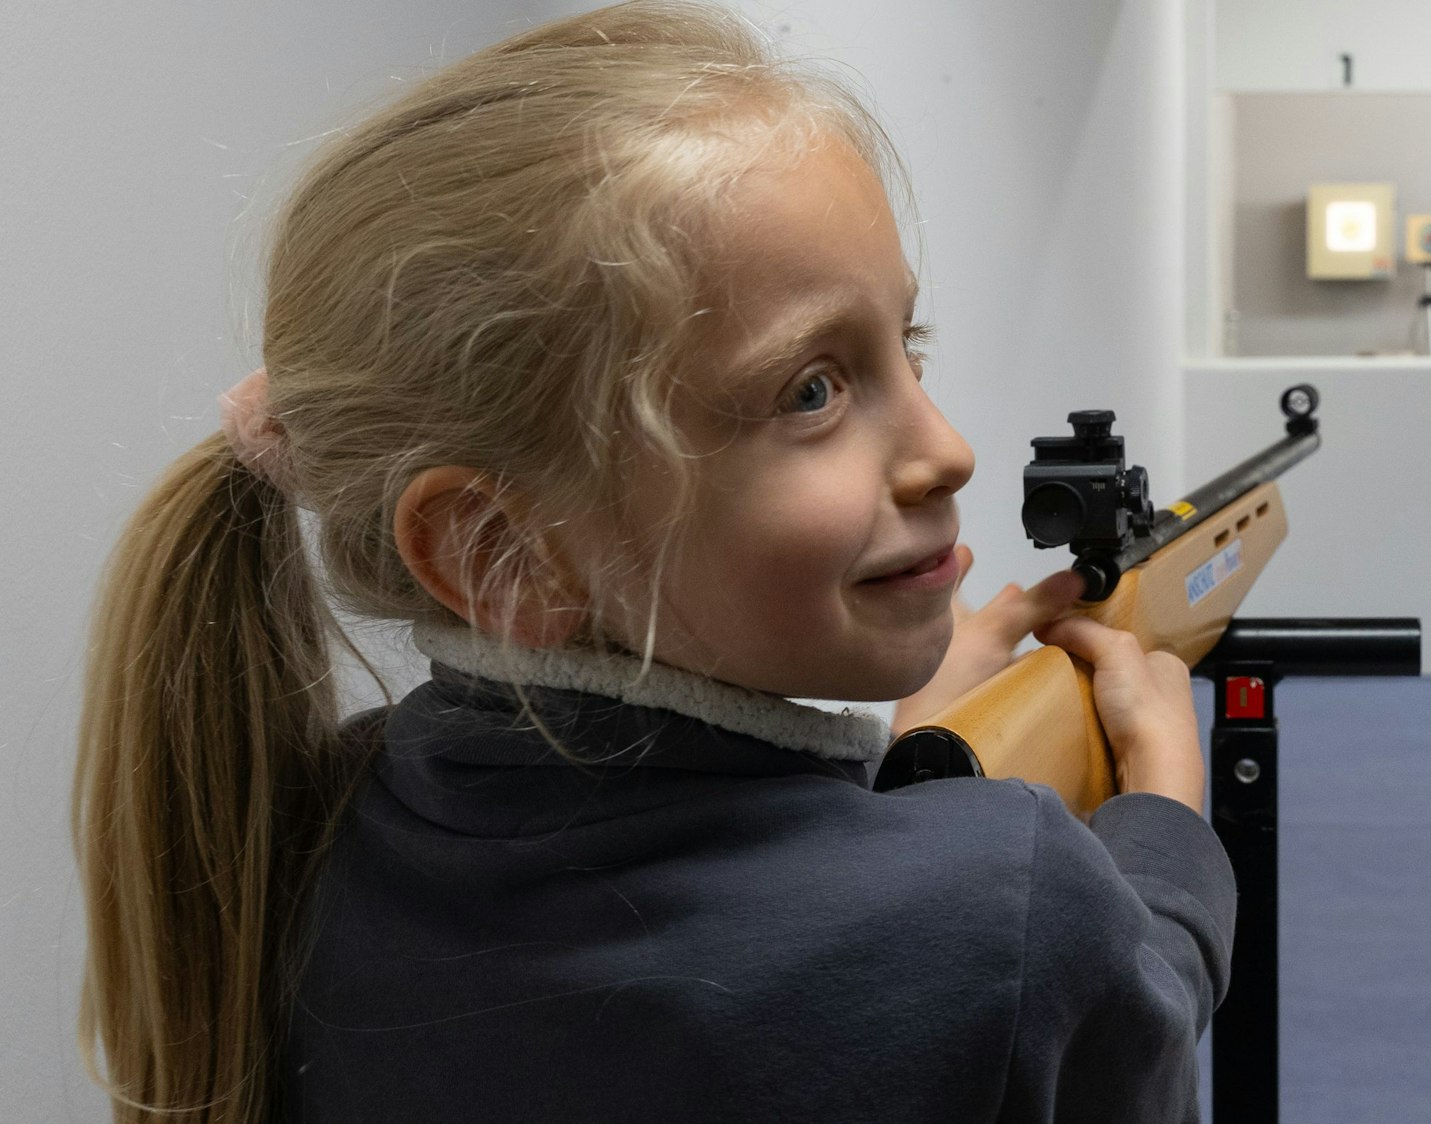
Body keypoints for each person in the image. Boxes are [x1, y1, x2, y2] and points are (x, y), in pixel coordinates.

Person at [72, 3, 1233, 1121]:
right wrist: (1162, 832)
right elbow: (1111, 1028)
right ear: (500, 552)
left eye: (905, 344)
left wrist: (903, 780)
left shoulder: (302, 833)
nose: (948, 449)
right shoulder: (1015, 905)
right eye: (812, 390)